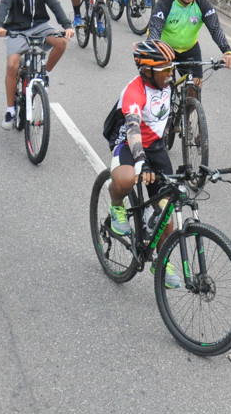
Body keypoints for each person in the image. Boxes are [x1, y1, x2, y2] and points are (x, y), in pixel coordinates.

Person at [102, 39, 182, 289]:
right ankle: (116, 205)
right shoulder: (135, 91)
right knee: (127, 179)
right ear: (147, 71)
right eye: (165, 71)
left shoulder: (166, 80)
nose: (170, 75)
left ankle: (161, 259)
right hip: (127, 141)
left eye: (172, 69)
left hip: (155, 145)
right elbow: (133, 128)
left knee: (167, 205)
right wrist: (141, 164)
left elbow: (190, 70)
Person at [0, 0, 75, 129]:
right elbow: (3, 7)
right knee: (12, 65)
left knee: (61, 43)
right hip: (16, 29)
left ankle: (45, 74)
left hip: (40, 26)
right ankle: (10, 111)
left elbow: (55, 5)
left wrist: (67, 26)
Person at [148, 0, 231, 83]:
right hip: (165, 49)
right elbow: (155, 28)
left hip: (189, 49)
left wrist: (227, 51)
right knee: (162, 86)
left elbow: (215, 28)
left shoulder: (202, 3)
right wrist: (152, 49)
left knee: (196, 85)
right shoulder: (165, 2)